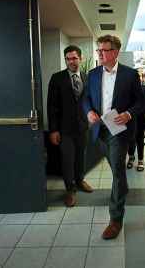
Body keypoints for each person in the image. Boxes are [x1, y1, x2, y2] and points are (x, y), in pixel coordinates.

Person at [82, 34, 144, 240]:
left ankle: (115, 219)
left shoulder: (130, 75)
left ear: (115, 52)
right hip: (100, 129)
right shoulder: (92, 74)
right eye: (98, 50)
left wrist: (128, 114)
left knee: (117, 170)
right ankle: (122, 187)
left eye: (103, 50)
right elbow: (86, 99)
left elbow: (140, 103)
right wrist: (88, 111)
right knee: (117, 170)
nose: (99, 53)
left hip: (119, 130)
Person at [47, 45, 93, 207]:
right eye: (68, 59)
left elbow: (92, 102)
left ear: (81, 59)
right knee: (67, 159)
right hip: (64, 129)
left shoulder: (88, 78)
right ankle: (70, 190)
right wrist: (53, 130)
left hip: (82, 127)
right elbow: (52, 106)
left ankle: (80, 181)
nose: (71, 61)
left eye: (74, 58)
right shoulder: (57, 78)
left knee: (81, 156)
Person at [127, 77, 145, 171]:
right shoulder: (127, 90)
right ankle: (131, 157)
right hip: (130, 119)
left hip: (141, 120)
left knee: (140, 140)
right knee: (130, 139)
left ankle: (140, 160)